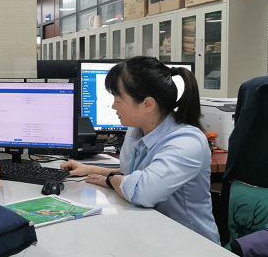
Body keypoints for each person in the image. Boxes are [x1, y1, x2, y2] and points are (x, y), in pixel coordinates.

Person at [62, 56, 220, 244]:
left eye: (118, 100)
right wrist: (93, 169)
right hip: (151, 234)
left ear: (148, 104)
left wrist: (111, 180)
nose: (113, 106)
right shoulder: (136, 131)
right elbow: (135, 173)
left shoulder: (187, 141)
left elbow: (142, 192)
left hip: (191, 245)